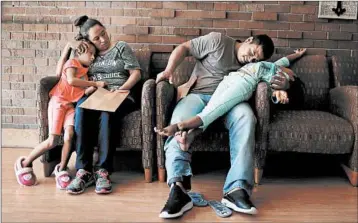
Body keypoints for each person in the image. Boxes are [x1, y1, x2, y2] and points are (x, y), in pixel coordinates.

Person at [155, 32, 291, 218]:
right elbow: (184, 47)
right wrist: (168, 71)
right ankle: (178, 188)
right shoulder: (217, 41)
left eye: (254, 58)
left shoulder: (252, 67)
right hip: (198, 96)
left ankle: (236, 189)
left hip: (232, 104)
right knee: (179, 119)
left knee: (247, 117)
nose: (250, 59)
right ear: (248, 39)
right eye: (252, 52)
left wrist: (284, 85)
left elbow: (280, 72)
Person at [56, 15, 142, 195]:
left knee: (106, 113)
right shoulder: (87, 54)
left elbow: (136, 74)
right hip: (94, 94)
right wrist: (68, 47)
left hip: (121, 94)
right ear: (88, 41)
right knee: (81, 108)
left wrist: (120, 90)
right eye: (97, 38)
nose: (103, 39)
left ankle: (103, 171)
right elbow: (63, 72)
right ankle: (83, 171)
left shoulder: (121, 47)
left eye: (103, 33)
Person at [155, 49, 307, 140]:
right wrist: (297, 54)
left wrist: (280, 94)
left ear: (293, 79)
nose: (291, 72)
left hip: (246, 83)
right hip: (232, 77)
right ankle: (191, 136)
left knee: (214, 110)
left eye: (292, 75)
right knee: (212, 106)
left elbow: (276, 89)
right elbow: (286, 59)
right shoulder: (277, 66)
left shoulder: (283, 79)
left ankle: (179, 126)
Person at [14, 41, 105, 190]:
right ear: (79, 53)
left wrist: (91, 88)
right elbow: (70, 80)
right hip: (58, 102)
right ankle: (25, 163)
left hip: (70, 106)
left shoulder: (86, 72)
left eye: (94, 54)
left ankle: (61, 168)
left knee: (69, 136)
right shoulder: (72, 62)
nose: (93, 57)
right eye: (90, 53)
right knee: (53, 141)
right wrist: (95, 84)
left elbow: (80, 91)